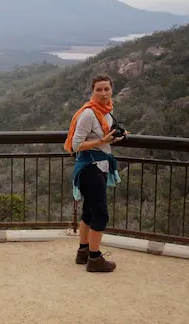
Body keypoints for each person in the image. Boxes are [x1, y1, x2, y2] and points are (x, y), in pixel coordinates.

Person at [64, 74, 125, 272]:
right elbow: (76, 145)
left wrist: (113, 138)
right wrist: (102, 141)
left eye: (106, 89)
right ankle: (95, 258)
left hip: (98, 166)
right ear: (92, 92)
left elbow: (104, 138)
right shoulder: (89, 114)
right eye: (99, 89)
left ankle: (83, 251)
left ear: (111, 90)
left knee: (89, 212)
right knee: (100, 214)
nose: (103, 93)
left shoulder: (107, 111)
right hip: (90, 168)